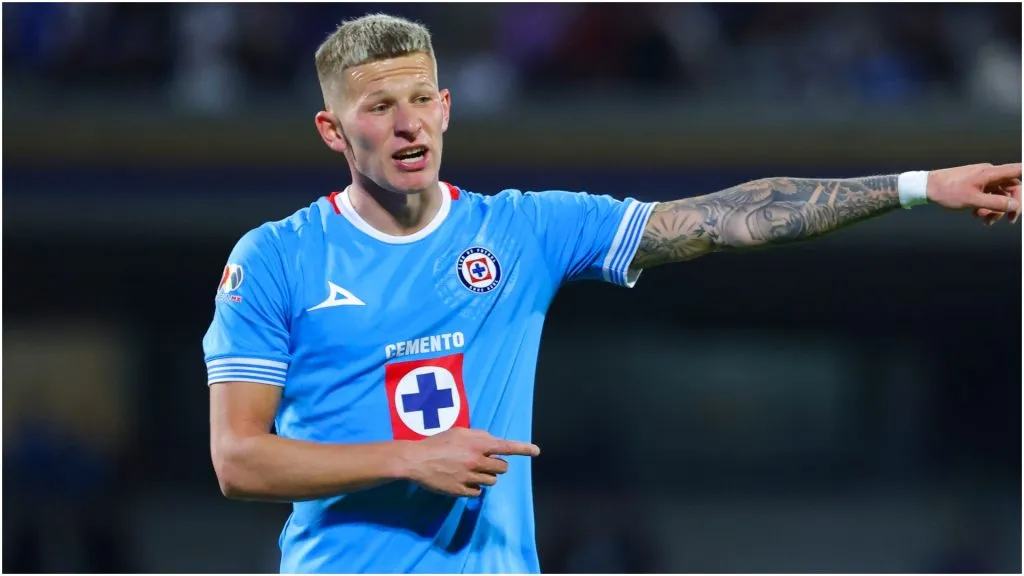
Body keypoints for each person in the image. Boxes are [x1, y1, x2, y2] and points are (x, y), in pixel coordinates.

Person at [202, 13, 1020, 575]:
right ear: (333, 130)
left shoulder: (523, 231)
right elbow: (239, 459)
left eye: (421, 99)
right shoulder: (276, 259)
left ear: (446, 108)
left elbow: (726, 219)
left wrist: (918, 186)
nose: (408, 123)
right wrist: (407, 458)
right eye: (379, 107)